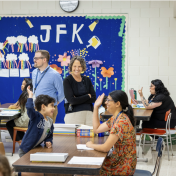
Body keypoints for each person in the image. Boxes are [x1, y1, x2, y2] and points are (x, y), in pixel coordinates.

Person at [86, 90, 137, 176]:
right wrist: (95, 107)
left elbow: (105, 148)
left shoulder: (121, 122)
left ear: (117, 104)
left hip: (123, 166)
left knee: (88, 171)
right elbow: (97, 129)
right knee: (88, 168)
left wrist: (90, 145)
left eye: (108, 100)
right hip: (119, 161)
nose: (106, 103)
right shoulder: (117, 117)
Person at [18, 86, 55, 158]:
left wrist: (48, 141)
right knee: (23, 168)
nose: (54, 108)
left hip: (35, 149)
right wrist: (30, 96)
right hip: (25, 150)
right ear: (43, 107)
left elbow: (49, 134)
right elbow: (29, 108)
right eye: (52, 106)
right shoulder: (35, 116)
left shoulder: (50, 121)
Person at [32, 50, 64, 123]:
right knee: (36, 132)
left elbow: (62, 93)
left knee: (47, 132)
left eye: (37, 58)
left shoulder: (55, 75)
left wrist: (54, 103)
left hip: (48, 109)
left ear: (44, 60)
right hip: (36, 107)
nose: (34, 60)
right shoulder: (34, 72)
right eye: (34, 58)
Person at [63, 56, 96, 126]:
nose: (77, 69)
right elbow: (72, 100)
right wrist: (87, 96)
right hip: (73, 114)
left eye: (79, 66)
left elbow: (93, 98)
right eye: (75, 66)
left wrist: (77, 99)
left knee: (92, 136)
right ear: (71, 67)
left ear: (83, 67)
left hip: (89, 114)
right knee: (74, 137)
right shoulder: (67, 81)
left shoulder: (87, 80)